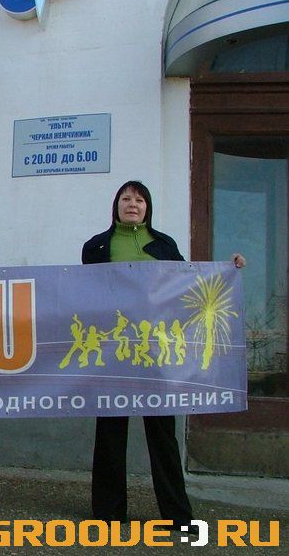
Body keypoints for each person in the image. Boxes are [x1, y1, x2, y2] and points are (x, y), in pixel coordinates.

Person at [81, 180, 245, 529]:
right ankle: (109, 513)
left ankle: (177, 515)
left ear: (148, 208)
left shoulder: (164, 245)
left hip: (157, 355)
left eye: (140, 199)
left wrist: (227, 269)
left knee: (162, 436)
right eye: (126, 198)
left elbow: (188, 283)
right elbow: (84, 293)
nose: (133, 204)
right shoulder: (96, 246)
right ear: (116, 205)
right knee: (110, 433)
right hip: (114, 353)